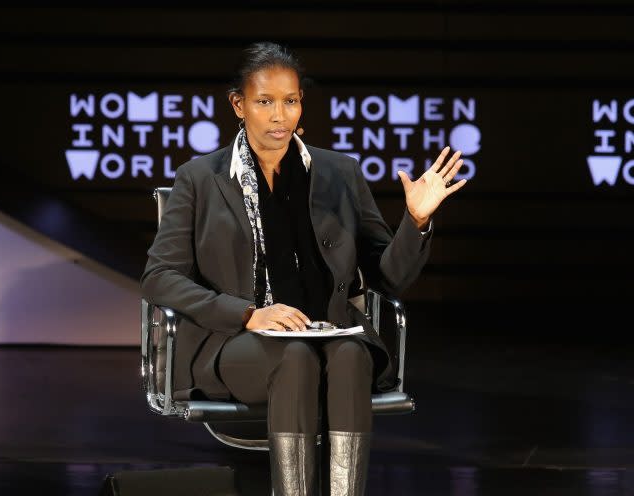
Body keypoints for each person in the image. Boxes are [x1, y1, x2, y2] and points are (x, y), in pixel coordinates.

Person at [140, 41, 466, 496]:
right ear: (239, 105)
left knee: (352, 355)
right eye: (265, 101)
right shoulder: (199, 178)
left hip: (332, 336)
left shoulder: (340, 172)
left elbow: (390, 276)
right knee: (294, 357)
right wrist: (247, 314)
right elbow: (158, 276)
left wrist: (416, 222)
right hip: (240, 342)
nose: (280, 115)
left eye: (290, 101)